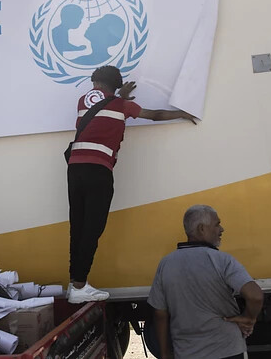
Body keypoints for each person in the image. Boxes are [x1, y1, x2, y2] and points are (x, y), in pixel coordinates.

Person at [67, 65, 196, 303]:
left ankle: (75, 282)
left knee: (78, 224)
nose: (93, 86)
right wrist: (181, 113)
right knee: (92, 228)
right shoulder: (122, 106)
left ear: (98, 84)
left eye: (95, 82)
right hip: (98, 170)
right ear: (115, 86)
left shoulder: (82, 102)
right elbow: (154, 115)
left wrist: (119, 95)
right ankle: (79, 286)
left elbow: (102, 106)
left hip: (75, 167)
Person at [147, 205, 264, 359]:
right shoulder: (222, 260)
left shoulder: (166, 264)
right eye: (217, 224)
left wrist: (164, 354)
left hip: (187, 352)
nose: (221, 229)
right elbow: (255, 296)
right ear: (202, 229)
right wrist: (249, 318)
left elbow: (160, 314)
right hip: (228, 350)